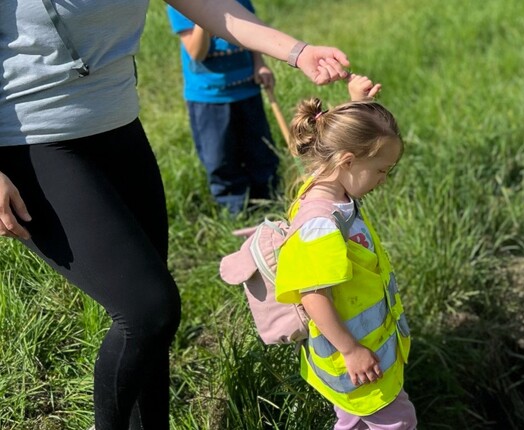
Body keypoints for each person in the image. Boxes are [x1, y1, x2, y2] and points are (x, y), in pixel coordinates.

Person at [0, 0, 349, 427]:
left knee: (152, 327)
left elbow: (210, 7)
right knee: (148, 311)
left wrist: (299, 51)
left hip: (119, 127)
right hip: (33, 143)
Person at [273, 75, 416, 430]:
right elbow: (313, 295)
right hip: (352, 354)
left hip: (362, 351)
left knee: (357, 421)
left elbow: (334, 135)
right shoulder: (320, 223)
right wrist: (350, 350)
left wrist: (357, 102)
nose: (383, 179)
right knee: (397, 421)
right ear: (349, 161)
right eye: (381, 170)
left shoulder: (329, 180)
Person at [168, 0, 281, 215]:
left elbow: (254, 34)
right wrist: (204, 16)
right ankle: (235, 212)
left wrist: (260, 63)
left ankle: (271, 205)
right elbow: (196, 53)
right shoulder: (181, 5)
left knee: (261, 153)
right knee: (220, 158)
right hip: (209, 96)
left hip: (247, 89)